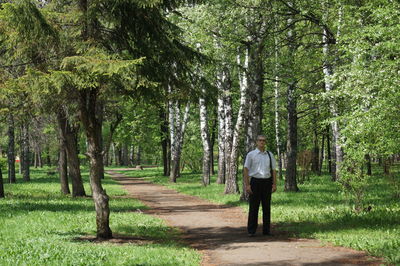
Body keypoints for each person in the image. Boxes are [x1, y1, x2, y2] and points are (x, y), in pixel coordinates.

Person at [244, 135, 277, 236]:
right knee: (254, 207)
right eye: (260, 140)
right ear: (256, 142)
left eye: (264, 140)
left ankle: (266, 231)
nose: (262, 142)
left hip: (267, 182)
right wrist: (247, 185)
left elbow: (274, 170)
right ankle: (251, 231)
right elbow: (246, 169)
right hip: (255, 182)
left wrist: (274, 184)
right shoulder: (251, 155)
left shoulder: (270, 155)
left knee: (266, 207)